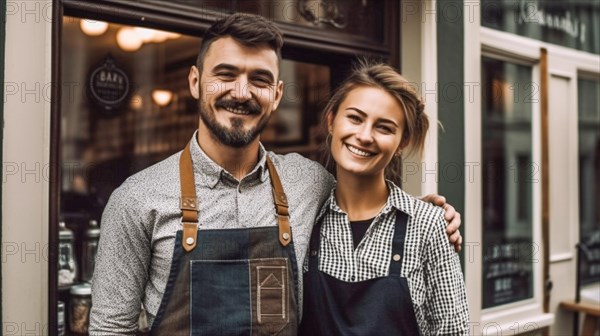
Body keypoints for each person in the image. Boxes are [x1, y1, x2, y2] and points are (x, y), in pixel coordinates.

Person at [89, 13, 462, 335]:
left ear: (277, 94)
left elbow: (365, 194)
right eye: (226, 74)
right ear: (194, 81)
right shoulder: (136, 199)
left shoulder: (308, 182)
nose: (242, 92)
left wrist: (427, 215)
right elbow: (109, 329)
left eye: (260, 80)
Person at [300, 61, 469, 335]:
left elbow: (453, 331)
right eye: (355, 118)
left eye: (385, 128)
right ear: (331, 121)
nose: (365, 136)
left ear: (401, 143)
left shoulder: (428, 225)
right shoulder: (303, 215)